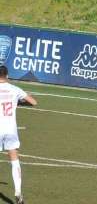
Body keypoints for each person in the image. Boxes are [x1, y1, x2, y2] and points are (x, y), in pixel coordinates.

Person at [0, 65, 37, 204]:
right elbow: (33, 102)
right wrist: (18, 103)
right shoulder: (15, 89)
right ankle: (18, 193)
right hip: (10, 129)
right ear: (7, 76)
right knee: (14, 159)